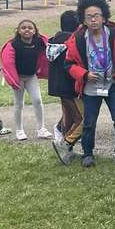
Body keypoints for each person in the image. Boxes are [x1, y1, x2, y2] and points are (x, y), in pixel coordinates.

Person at [65, 0, 115, 167]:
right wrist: (83, 74)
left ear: (104, 17)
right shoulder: (78, 38)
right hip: (90, 88)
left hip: (113, 85)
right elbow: (69, 63)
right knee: (89, 122)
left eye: (97, 15)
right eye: (89, 16)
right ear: (83, 19)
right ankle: (87, 154)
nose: (94, 19)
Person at [0, 19, 50, 141]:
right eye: (23, 28)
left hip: (31, 76)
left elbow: (51, 47)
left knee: (37, 100)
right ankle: (19, 130)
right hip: (18, 78)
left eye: (30, 28)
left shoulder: (39, 41)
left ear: (34, 31)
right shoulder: (14, 44)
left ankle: (41, 129)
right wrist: (13, 80)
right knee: (19, 103)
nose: (26, 29)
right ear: (18, 30)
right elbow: (8, 62)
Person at [47, 9, 83, 165]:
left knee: (68, 117)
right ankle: (65, 143)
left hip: (58, 87)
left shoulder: (54, 41)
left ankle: (66, 151)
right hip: (70, 88)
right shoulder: (73, 42)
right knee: (83, 118)